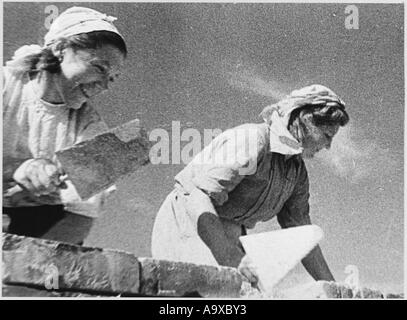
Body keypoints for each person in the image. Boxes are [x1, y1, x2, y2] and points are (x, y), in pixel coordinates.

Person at [151, 84, 349, 285]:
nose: (328, 146)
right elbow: (199, 197)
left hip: (229, 230)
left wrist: (334, 289)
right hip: (190, 218)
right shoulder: (254, 140)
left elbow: (301, 230)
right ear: (306, 120)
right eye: (327, 135)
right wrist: (230, 258)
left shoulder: (296, 172)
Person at [3, 7, 127, 245]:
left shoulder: (91, 128)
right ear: (60, 49)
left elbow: (79, 218)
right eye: (100, 68)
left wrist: (27, 266)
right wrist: (15, 170)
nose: (105, 85)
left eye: (112, 77)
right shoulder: (6, 87)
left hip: (36, 235)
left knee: (119, 148)